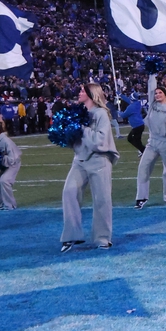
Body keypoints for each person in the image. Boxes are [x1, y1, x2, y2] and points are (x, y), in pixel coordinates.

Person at [60, 83, 120, 253]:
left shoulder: (101, 114)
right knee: (69, 191)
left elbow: (99, 142)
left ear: (91, 94)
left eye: (82, 91)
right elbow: (75, 140)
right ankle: (72, 235)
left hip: (99, 160)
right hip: (79, 160)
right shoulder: (78, 113)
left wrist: (81, 128)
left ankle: (103, 238)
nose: (79, 93)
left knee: (101, 199)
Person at [135, 73, 166, 209]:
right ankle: (141, 198)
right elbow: (151, 88)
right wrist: (152, 75)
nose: (157, 95)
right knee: (143, 167)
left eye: (160, 93)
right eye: (156, 93)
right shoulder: (152, 106)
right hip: (152, 142)